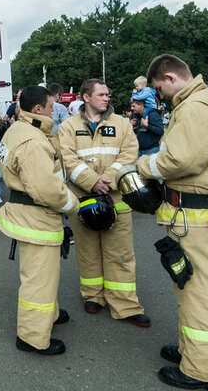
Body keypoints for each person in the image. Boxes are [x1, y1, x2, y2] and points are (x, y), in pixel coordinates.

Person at [136, 54, 208, 390]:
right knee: (189, 285)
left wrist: (143, 165)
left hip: (196, 214)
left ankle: (206, 371)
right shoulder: (207, 100)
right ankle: (191, 351)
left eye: (159, 88)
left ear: (170, 77)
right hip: (198, 212)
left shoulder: (196, 107)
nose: (160, 96)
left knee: (200, 293)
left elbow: (180, 160)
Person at [58, 79, 150, 328]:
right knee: (88, 252)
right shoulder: (68, 126)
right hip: (84, 200)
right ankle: (93, 296)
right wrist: (91, 182)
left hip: (117, 199)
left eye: (108, 94)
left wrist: (105, 180)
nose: (107, 97)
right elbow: (67, 159)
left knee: (120, 254)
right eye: (101, 94)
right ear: (86, 97)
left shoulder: (121, 123)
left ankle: (125, 305)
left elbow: (129, 155)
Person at [0, 85, 78, 356]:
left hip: (27, 215)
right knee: (39, 281)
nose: (54, 111)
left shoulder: (18, 130)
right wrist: (72, 204)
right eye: (51, 107)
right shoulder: (32, 141)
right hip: (37, 218)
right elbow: (46, 190)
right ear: (38, 109)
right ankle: (32, 337)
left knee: (43, 275)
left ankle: (48, 315)